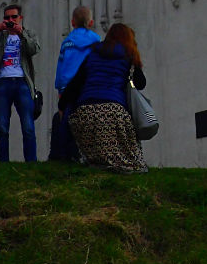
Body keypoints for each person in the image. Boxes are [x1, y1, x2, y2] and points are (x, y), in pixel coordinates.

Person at [60, 22, 148, 173]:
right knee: (134, 160)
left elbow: (74, 86)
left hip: (85, 114)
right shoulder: (128, 56)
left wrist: (63, 107)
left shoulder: (92, 55)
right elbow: (141, 83)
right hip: (113, 112)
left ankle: (99, 161)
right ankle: (121, 164)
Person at [0, 3, 41, 162]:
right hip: (2, 83)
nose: (10, 20)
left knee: (28, 125)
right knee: (2, 126)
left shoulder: (28, 33)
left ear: (20, 18)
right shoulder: (1, 36)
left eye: (14, 17)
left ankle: (31, 161)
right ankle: (3, 162)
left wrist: (22, 34)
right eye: (7, 18)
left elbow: (34, 49)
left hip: (22, 82)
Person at [50, 6, 101, 162]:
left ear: (72, 22)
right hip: (87, 86)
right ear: (91, 22)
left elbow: (61, 67)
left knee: (66, 120)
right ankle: (87, 155)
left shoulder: (67, 42)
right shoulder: (96, 40)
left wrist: (60, 88)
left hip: (68, 87)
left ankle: (65, 154)